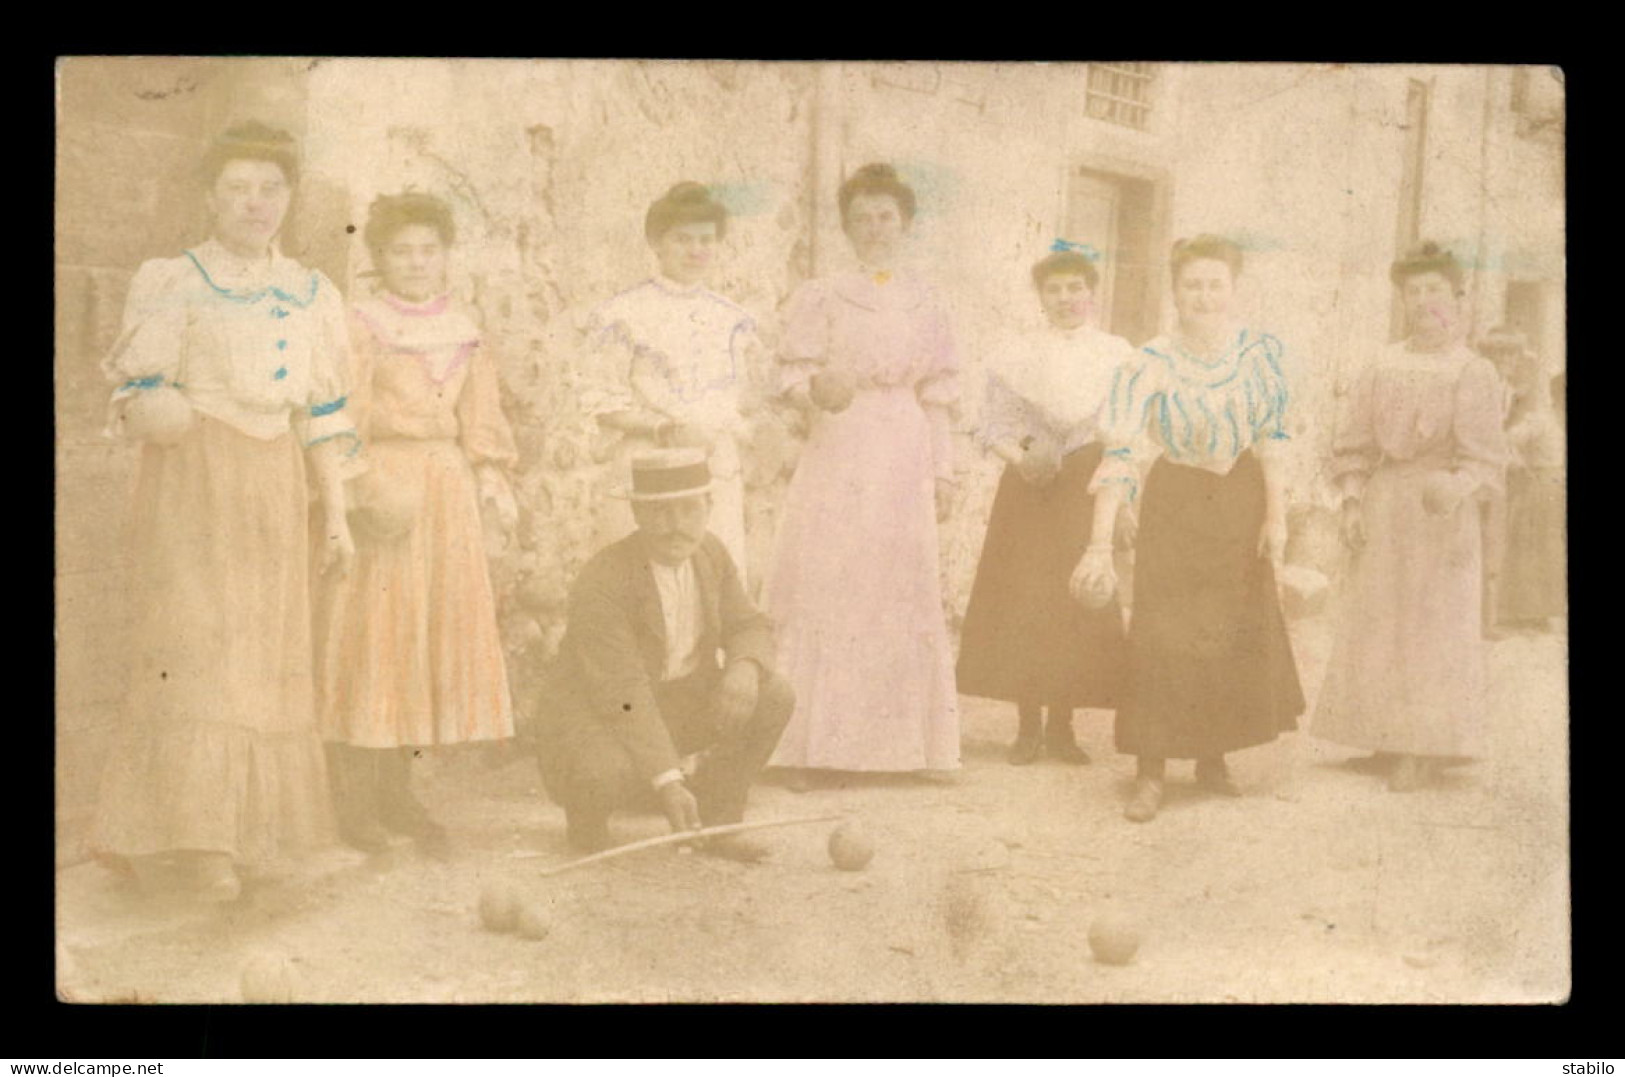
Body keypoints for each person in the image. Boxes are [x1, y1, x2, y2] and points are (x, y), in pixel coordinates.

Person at [91, 122, 358, 900]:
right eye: (237, 188)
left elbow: (323, 415)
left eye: (270, 189)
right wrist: (154, 405)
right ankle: (185, 841)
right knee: (196, 648)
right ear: (210, 197)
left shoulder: (311, 292)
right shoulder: (176, 279)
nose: (254, 203)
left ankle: (250, 833)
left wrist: (335, 514)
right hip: (193, 483)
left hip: (274, 485)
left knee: (263, 654)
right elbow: (136, 393)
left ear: (289, 198)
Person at [1070, 234, 1304, 822]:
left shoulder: (1260, 354)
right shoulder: (1148, 362)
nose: (1204, 295)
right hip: (1175, 505)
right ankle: (1150, 772)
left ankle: (1212, 758)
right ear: (1175, 291)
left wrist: (1276, 516)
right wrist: (1099, 544)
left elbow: (1274, 439)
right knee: (1163, 635)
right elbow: (1121, 455)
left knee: (1227, 630)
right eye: (1192, 284)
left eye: (1214, 284)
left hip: (1239, 501)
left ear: (1233, 288)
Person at [313, 192, 519, 856]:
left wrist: (490, 480)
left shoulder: (464, 329)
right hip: (385, 490)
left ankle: (399, 791)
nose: (416, 262)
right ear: (378, 258)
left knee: (423, 646)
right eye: (401, 251)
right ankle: (357, 798)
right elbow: (342, 415)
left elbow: (481, 421)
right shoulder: (363, 325)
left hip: (446, 496)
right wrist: (359, 488)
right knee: (377, 639)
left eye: (428, 249)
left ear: (445, 256)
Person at [763, 163, 961, 784]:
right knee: (831, 580)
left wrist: (946, 470)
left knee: (897, 585)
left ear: (904, 223)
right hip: (840, 445)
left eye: (885, 216)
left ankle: (904, 751)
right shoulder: (821, 294)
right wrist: (816, 386)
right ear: (846, 228)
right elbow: (788, 377)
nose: (874, 229)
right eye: (861, 219)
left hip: (903, 446)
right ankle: (807, 747)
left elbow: (940, 393)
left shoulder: (928, 300)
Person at [526, 448, 794, 860]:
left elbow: (748, 624)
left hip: (671, 707)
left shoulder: (712, 556)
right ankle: (589, 821)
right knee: (603, 773)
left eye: (689, 509)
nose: (676, 527)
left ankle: (719, 820)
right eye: (660, 512)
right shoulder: (603, 579)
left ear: (708, 507)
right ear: (637, 513)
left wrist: (744, 667)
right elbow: (622, 692)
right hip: (597, 717)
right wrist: (668, 778)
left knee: (773, 695)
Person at [1312, 243, 1508, 791]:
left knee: (1433, 626)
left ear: (1456, 298)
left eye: (1435, 291)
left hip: (1442, 510)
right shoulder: (1382, 363)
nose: (1424, 303)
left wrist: (1457, 486)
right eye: (1414, 292)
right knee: (1379, 621)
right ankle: (1383, 737)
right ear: (1402, 300)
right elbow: (1352, 443)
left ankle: (1422, 749)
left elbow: (1485, 457)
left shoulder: (1473, 370)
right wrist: (1352, 502)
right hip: (1386, 502)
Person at [957, 247, 1134, 765]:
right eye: (1054, 290)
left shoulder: (1117, 354)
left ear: (1091, 292)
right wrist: (1021, 457)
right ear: (1041, 297)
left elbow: (1124, 434)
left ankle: (1064, 725)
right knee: (1027, 600)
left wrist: (1122, 502)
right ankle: (1028, 726)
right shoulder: (1017, 353)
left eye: (1075, 287)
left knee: (1074, 601)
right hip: (1030, 486)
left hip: (1086, 482)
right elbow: (989, 424)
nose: (1065, 299)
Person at [577, 182, 761, 579]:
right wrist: (664, 429)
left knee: (711, 577)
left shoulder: (732, 319)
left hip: (714, 466)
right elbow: (602, 401)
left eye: (706, 240)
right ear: (656, 243)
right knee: (642, 579)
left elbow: (740, 401)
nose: (696, 251)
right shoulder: (622, 314)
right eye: (682, 239)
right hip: (650, 461)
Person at [1479, 328, 1565, 630]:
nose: (1508, 361)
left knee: (1549, 549)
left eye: (1512, 355)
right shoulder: (1539, 417)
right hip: (1522, 483)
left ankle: (1537, 611)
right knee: (1518, 546)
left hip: (1550, 488)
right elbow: (1506, 438)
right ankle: (1500, 615)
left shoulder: (1510, 391)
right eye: (1501, 354)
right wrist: (1516, 460)